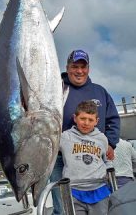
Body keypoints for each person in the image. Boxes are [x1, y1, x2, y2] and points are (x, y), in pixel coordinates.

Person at [50, 49, 120, 215]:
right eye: (75, 66)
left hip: (93, 155)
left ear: (88, 68)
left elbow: (113, 119)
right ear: (67, 68)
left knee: (98, 203)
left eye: (83, 66)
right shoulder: (54, 88)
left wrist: (110, 143)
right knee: (62, 207)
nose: (79, 71)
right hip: (59, 158)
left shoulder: (100, 91)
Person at [60, 100, 111, 215]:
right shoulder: (64, 137)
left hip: (99, 189)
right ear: (75, 118)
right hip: (74, 190)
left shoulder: (102, 138)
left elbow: (106, 161)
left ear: (96, 121)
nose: (86, 123)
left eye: (91, 120)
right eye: (82, 118)